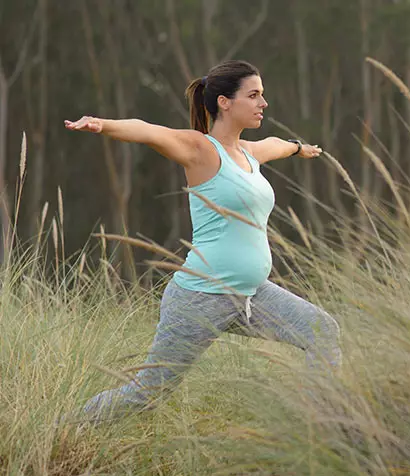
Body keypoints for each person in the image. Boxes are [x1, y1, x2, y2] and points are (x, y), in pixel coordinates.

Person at [64, 60, 341, 423]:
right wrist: (103, 125)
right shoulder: (200, 150)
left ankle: (319, 426)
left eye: (262, 95)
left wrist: (297, 147)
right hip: (201, 298)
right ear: (225, 102)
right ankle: (61, 430)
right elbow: (148, 131)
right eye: (254, 95)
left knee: (322, 331)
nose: (264, 103)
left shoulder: (249, 154)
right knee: (146, 394)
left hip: (252, 295)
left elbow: (275, 145)